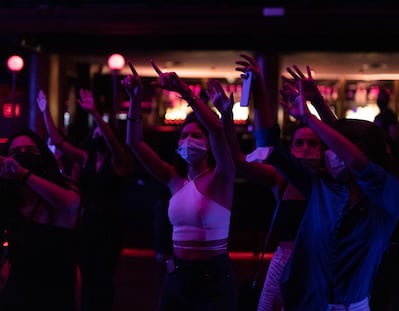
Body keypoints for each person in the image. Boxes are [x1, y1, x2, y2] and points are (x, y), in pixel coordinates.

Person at [261, 79, 399, 310]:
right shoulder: (321, 187)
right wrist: (260, 84)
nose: (330, 154)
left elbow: (357, 162)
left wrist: (310, 117)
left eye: (335, 149)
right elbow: (267, 143)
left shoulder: (391, 193)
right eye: (328, 148)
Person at [208, 55, 332, 311]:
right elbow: (241, 161)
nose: (306, 148)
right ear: (292, 148)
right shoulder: (282, 180)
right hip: (283, 259)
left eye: (313, 143)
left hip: (318, 261)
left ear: (323, 149)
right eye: (299, 143)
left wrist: (317, 104)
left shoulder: (330, 182)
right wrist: (227, 116)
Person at [121, 60, 237, 310]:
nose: (188, 140)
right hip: (177, 274)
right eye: (184, 135)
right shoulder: (174, 179)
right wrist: (135, 98)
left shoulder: (221, 176)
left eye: (196, 135)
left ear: (207, 143)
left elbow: (217, 130)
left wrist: (184, 90)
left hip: (212, 276)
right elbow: (135, 143)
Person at [37, 89, 132, 311]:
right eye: (96, 132)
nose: (99, 135)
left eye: (102, 133)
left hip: (110, 223)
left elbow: (110, 139)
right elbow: (58, 141)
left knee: (104, 275)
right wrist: (44, 112)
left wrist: (95, 114)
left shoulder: (118, 161)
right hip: (87, 222)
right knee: (87, 273)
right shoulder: (86, 158)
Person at [0, 128, 81, 311]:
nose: (21, 157)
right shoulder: (10, 197)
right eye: (14, 153)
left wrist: (24, 174)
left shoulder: (63, 187)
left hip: (54, 296)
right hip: (16, 296)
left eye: (30, 151)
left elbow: (70, 205)